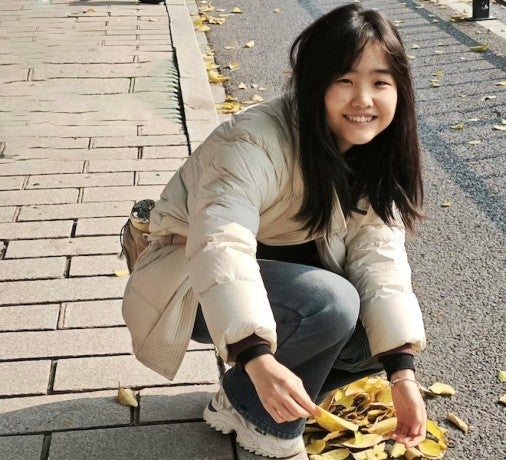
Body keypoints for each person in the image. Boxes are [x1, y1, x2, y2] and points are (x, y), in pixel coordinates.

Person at [121, 3, 427, 457]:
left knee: (379, 332)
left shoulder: (373, 153)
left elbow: (379, 261)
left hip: (272, 284)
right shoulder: (254, 139)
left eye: (381, 83)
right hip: (190, 279)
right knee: (333, 302)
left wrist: (402, 375)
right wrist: (256, 356)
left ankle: (242, 396)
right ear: (313, 84)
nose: (364, 99)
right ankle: (265, 422)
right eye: (345, 80)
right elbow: (219, 243)